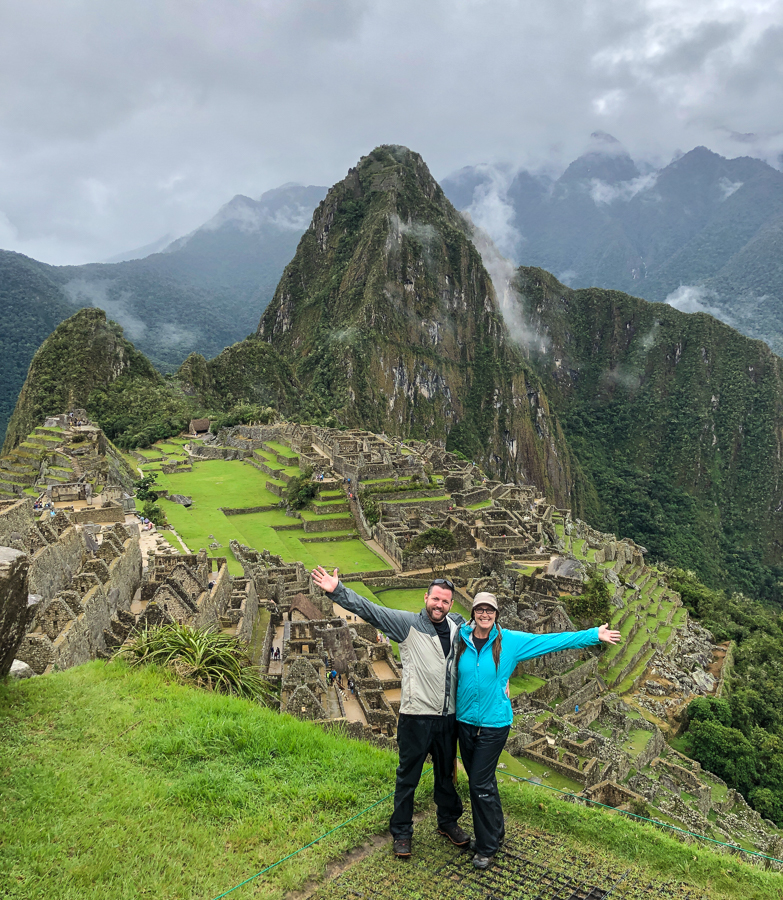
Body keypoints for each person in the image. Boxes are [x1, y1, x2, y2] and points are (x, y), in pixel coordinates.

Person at [311, 566, 470, 858]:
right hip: (416, 716)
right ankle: (402, 832)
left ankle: (448, 822)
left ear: (451, 604)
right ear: (426, 598)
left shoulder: (459, 628)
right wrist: (337, 590)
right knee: (407, 777)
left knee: (446, 775)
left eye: (445, 601)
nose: (439, 605)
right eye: (435, 599)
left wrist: (505, 676)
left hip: (448, 718)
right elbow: (371, 611)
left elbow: (490, 636)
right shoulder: (406, 624)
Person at [455, 592, 622, 870]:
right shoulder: (461, 639)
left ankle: (486, 846)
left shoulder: (509, 641)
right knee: (481, 782)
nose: (485, 614)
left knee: (478, 784)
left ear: (496, 614)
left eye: (490, 610)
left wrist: (593, 635)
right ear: (473, 612)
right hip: (465, 722)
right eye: (480, 609)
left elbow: (549, 642)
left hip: (494, 724)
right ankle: (495, 833)